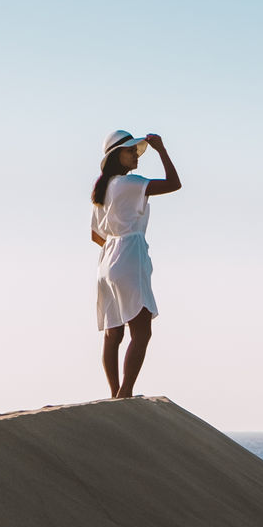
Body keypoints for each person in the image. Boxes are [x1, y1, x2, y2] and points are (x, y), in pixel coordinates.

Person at [89, 130, 180, 398]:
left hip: (106, 260)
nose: (136, 155)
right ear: (117, 156)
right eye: (131, 151)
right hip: (129, 253)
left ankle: (115, 393)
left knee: (112, 333)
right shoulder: (129, 184)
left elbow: (96, 235)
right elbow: (174, 183)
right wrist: (162, 149)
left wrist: (115, 247)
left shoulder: (101, 189)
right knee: (141, 332)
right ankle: (125, 394)